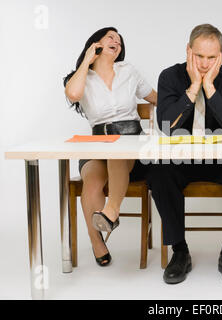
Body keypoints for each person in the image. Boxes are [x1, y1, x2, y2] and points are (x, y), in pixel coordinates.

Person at [147, 24, 222, 284]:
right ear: (188, 51)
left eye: (212, 57)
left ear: (220, 55)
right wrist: (193, 88)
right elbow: (167, 125)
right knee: (158, 172)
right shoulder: (169, 77)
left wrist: (209, 86)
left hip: (220, 159)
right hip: (181, 159)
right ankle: (179, 251)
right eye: (199, 56)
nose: (204, 63)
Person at [63, 27, 157, 267]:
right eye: (110, 37)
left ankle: (111, 211)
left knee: (118, 151)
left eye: (119, 40)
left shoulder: (129, 71)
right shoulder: (81, 76)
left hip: (131, 142)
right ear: (95, 44)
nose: (117, 41)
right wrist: (87, 60)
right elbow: (73, 94)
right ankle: (97, 242)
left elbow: (156, 98)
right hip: (97, 143)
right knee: (92, 181)